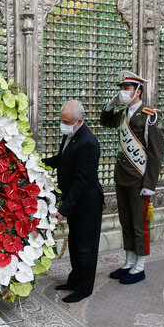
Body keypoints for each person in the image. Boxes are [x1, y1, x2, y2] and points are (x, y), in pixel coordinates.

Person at [100, 71, 164, 284]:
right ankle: (128, 262)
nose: (122, 92)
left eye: (126, 89)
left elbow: (155, 154)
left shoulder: (150, 116)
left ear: (138, 91)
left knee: (139, 224)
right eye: (121, 88)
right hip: (122, 177)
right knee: (126, 222)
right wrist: (110, 105)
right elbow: (105, 121)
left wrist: (150, 184)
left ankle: (139, 266)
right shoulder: (122, 114)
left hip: (139, 179)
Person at [43, 100, 104, 303]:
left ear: (79, 121)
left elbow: (82, 182)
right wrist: (37, 163)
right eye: (61, 121)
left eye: (67, 121)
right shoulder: (71, 135)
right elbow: (62, 159)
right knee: (75, 245)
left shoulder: (88, 142)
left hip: (87, 203)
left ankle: (84, 288)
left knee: (86, 247)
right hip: (75, 201)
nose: (63, 124)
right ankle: (74, 280)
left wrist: (63, 209)